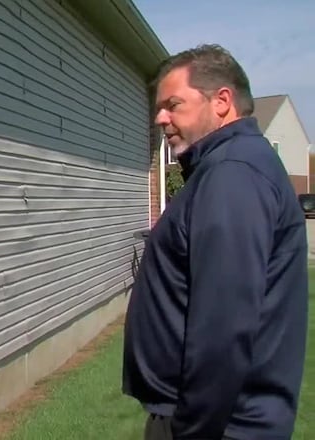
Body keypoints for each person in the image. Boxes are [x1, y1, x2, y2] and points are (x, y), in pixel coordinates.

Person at [123, 44, 309, 439]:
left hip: (221, 427)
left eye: (172, 105)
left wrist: (190, 429)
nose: (160, 118)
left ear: (222, 101)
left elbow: (223, 329)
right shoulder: (229, 167)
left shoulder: (233, 174)